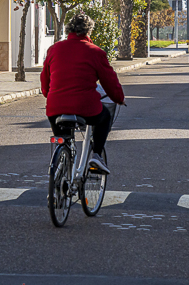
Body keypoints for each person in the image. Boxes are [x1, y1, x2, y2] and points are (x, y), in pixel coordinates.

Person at [40, 12, 125, 174]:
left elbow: (45, 82)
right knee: (105, 116)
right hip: (85, 108)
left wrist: (49, 95)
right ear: (89, 31)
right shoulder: (95, 52)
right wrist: (119, 98)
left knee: (63, 140)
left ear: (68, 29)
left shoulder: (54, 49)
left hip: (55, 108)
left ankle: (61, 172)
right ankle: (97, 156)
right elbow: (110, 82)